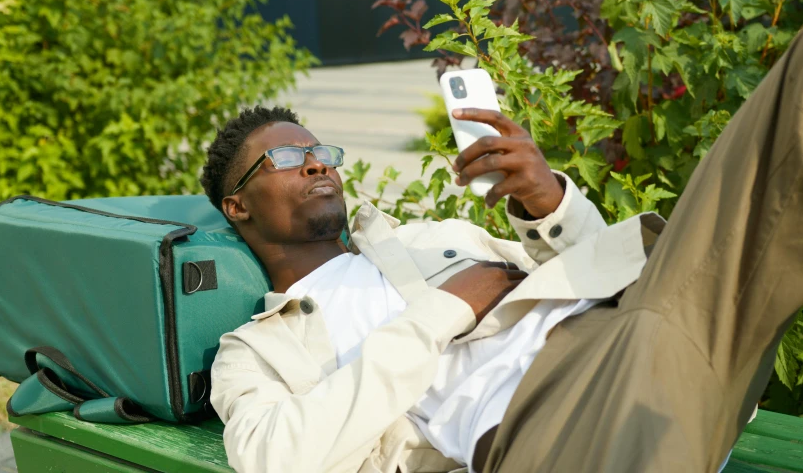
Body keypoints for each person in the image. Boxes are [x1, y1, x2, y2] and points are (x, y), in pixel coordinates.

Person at [202, 31, 803, 473]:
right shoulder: (255, 350)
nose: (315, 162)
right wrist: (440, 314)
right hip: (559, 423)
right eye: (284, 158)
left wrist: (549, 205)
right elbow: (273, 456)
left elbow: (615, 275)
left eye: (321, 152)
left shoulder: (435, 237)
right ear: (238, 206)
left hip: (651, 335)